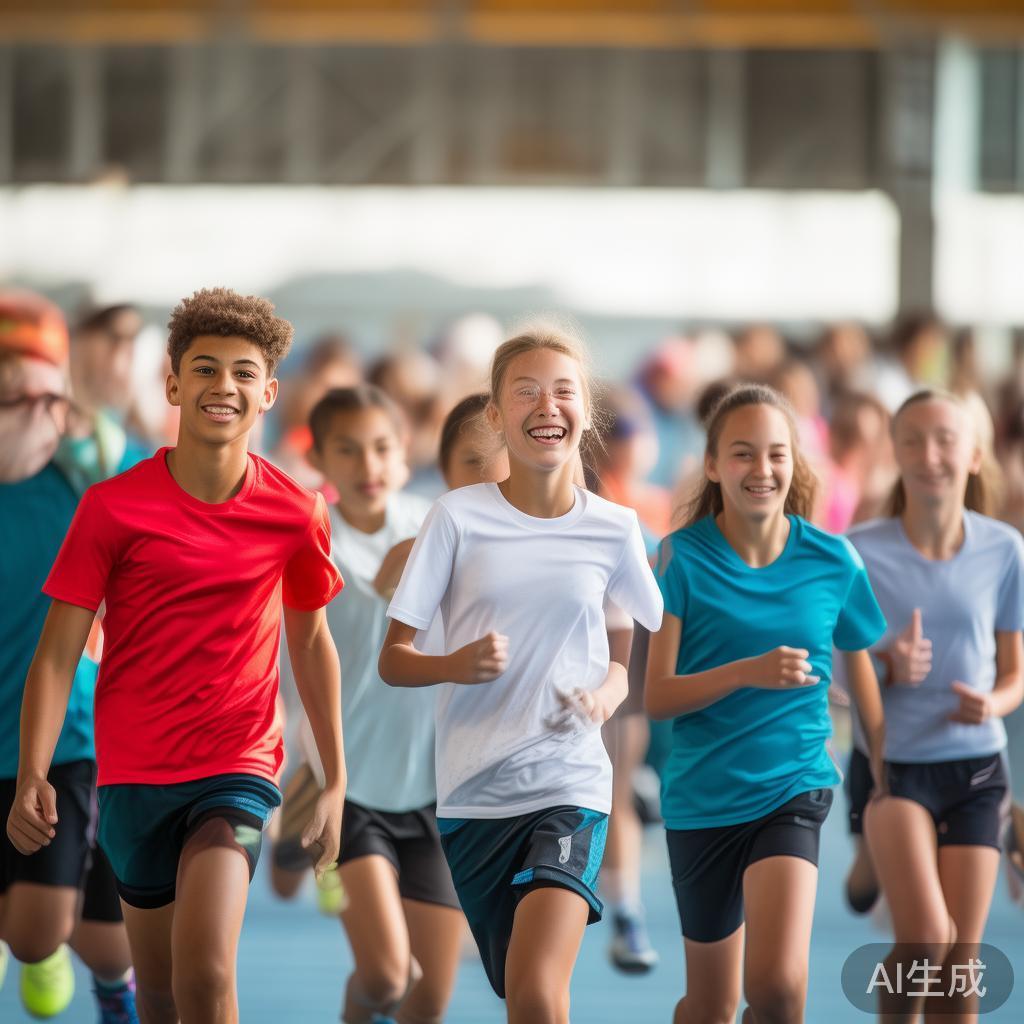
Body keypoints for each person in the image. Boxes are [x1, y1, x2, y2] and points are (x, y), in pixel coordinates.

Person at [8, 287, 346, 1024]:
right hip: (133, 778)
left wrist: (335, 776)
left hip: (239, 768)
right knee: (160, 992)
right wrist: (34, 771)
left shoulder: (296, 512)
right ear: (172, 385)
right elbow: (58, 655)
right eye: (204, 369)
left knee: (208, 972)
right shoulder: (111, 507)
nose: (224, 385)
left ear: (268, 393)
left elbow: (311, 640)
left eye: (244, 372)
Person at [379, 322, 663, 1024]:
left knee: (536, 990)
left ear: (585, 413)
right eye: (526, 392)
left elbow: (629, 631)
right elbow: (394, 659)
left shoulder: (615, 528)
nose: (547, 406)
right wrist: (457, 663)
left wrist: (610, 689)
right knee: (519, 988)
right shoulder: (456, 519)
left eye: (563, 391)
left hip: (571, 785)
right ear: (497, 415)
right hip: (474, 796)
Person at [645, 383, 887, 1024]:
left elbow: (863, 674)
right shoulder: (679, 559)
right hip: (701, 800)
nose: (762, 469)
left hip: (793, 788)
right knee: (712, 1005)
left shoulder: (834, 560)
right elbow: (658, 696)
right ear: (712, 464)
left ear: (794, 463)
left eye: (777, 453)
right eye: (743, 453)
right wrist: (747, 672)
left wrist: (887, 777)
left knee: (778, 992)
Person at [291, 384, 465, 1024]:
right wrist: (393, 580)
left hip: (434, 789)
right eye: (348, 449)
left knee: (429, 998)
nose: (368, 465)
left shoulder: (436, 522)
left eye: (382, 448)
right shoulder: (307, 536)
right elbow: (352, 616)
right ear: (319, 458)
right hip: (348, 787)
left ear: (405, 452)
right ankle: (295, 820)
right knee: (388, 975)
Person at [857, 389, 1024, 1021]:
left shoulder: (1004, 549)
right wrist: (887, 665)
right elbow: (834, 674)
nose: (930, 456)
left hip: (978, 770)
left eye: (945, 441)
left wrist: (992, 703)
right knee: (927, 937)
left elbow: (1014, 674)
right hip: (895, 767)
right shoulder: (860, 552)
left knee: (961, 960)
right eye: (914, 441)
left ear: (974, 455)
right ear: (896, 453)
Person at [0, 288, 138, 1022]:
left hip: (68, 736)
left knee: (56, 937)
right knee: (40, 928)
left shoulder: (89, 476)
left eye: (32, 390)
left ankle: (109, 985)